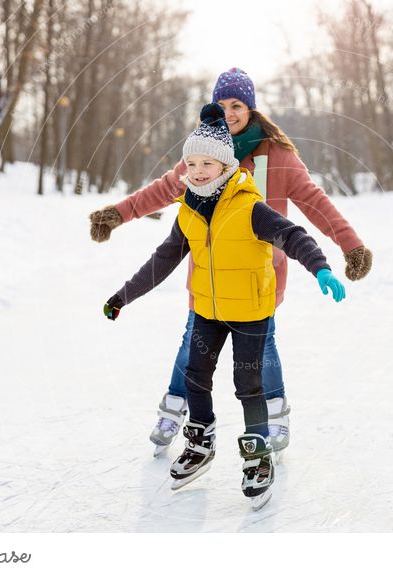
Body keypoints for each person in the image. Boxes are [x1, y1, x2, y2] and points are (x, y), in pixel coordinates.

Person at [90, 67, 371, 456]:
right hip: (208, 279)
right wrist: (116, 215)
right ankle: (175, 406)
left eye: (236, 105)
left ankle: (274, 414)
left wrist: (349, 245)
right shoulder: (201, 156)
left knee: (263, 347)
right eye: (221, 105)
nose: (229, 112)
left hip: (259, 278)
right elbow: (159, 192)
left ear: (251, 109)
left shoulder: (278, 157)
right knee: (192, 343)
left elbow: (315, 203)